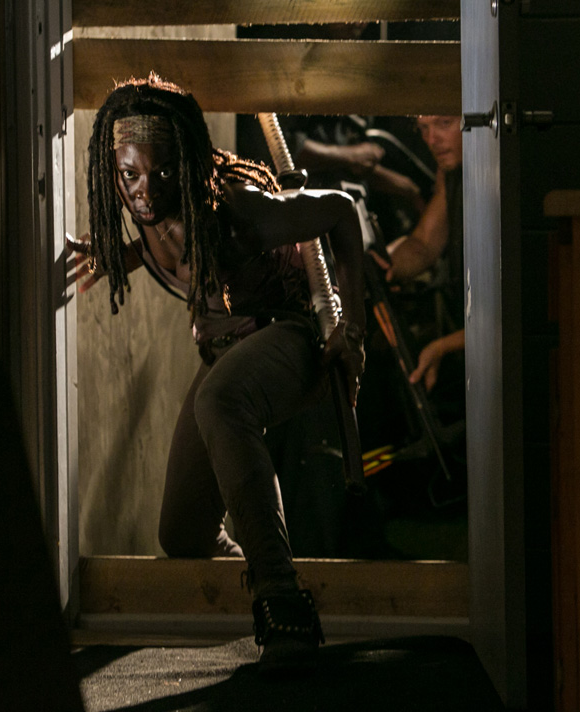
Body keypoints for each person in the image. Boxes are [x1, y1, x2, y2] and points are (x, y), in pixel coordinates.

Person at [66, 74, 366, 669]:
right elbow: (164, 246)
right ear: (112, 172)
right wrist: (118, 255)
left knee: (219, 401)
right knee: (182, 535)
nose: (144, 191)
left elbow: (341, 211)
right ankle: (254, 577)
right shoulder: (144, 215)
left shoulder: (237, 209)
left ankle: (284, 601)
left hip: (292, 338)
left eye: (160, 174)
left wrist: (352, 331)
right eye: (129, 175)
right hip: (225, 356)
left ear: (186, 164)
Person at [373, 114, 465, 410]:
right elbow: (424, 244)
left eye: (443, 124)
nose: (431, 140)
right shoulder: (448, 171)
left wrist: (442, 346)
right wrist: (376, 268)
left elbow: (509, 311)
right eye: (423, 128)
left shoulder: (498, 175)